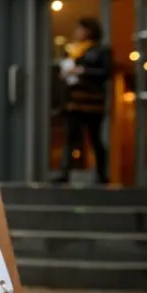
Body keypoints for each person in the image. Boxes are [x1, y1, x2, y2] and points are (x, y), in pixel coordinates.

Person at [53, 18, 111, 184]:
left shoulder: (101, 51)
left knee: (95, 138)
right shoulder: (73, 51)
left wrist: (83, 70)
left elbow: (106, 72)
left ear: (89, 30)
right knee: (71, 138)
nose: (77, 32)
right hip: (73, 102)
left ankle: (101, 174)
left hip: (93, 103)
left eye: (80, 29)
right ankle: (65, 173)